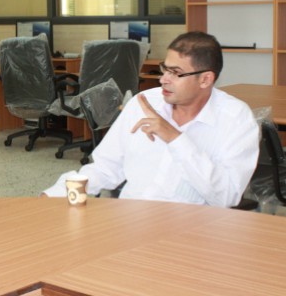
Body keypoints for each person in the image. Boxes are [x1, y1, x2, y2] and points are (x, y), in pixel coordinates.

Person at [43, 31, 259, 207]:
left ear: (205, 79)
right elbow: (105, 168)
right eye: (165, 69)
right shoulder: (144, 103)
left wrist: (175, 138)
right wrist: (54, 194)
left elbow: (226, 197)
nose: (163, 79)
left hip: (191, 230)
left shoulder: (236, 119)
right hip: (131, 220)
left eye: (175, 72)